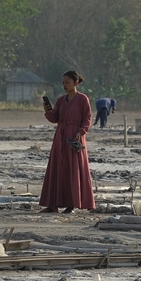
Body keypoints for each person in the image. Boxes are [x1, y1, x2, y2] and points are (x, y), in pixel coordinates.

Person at [40, 70, 95, 213]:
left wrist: (81, 131)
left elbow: (87, 118)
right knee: (58, 169)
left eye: (67, 82)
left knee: (73, 170)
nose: (65, 85)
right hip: (60, 138)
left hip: (74, 138)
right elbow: (55, 118)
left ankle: (71, 204)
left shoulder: (83, 99)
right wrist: (47, 111)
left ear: (75, 83)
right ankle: (53, 204)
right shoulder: (60, 100)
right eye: (63, 83)